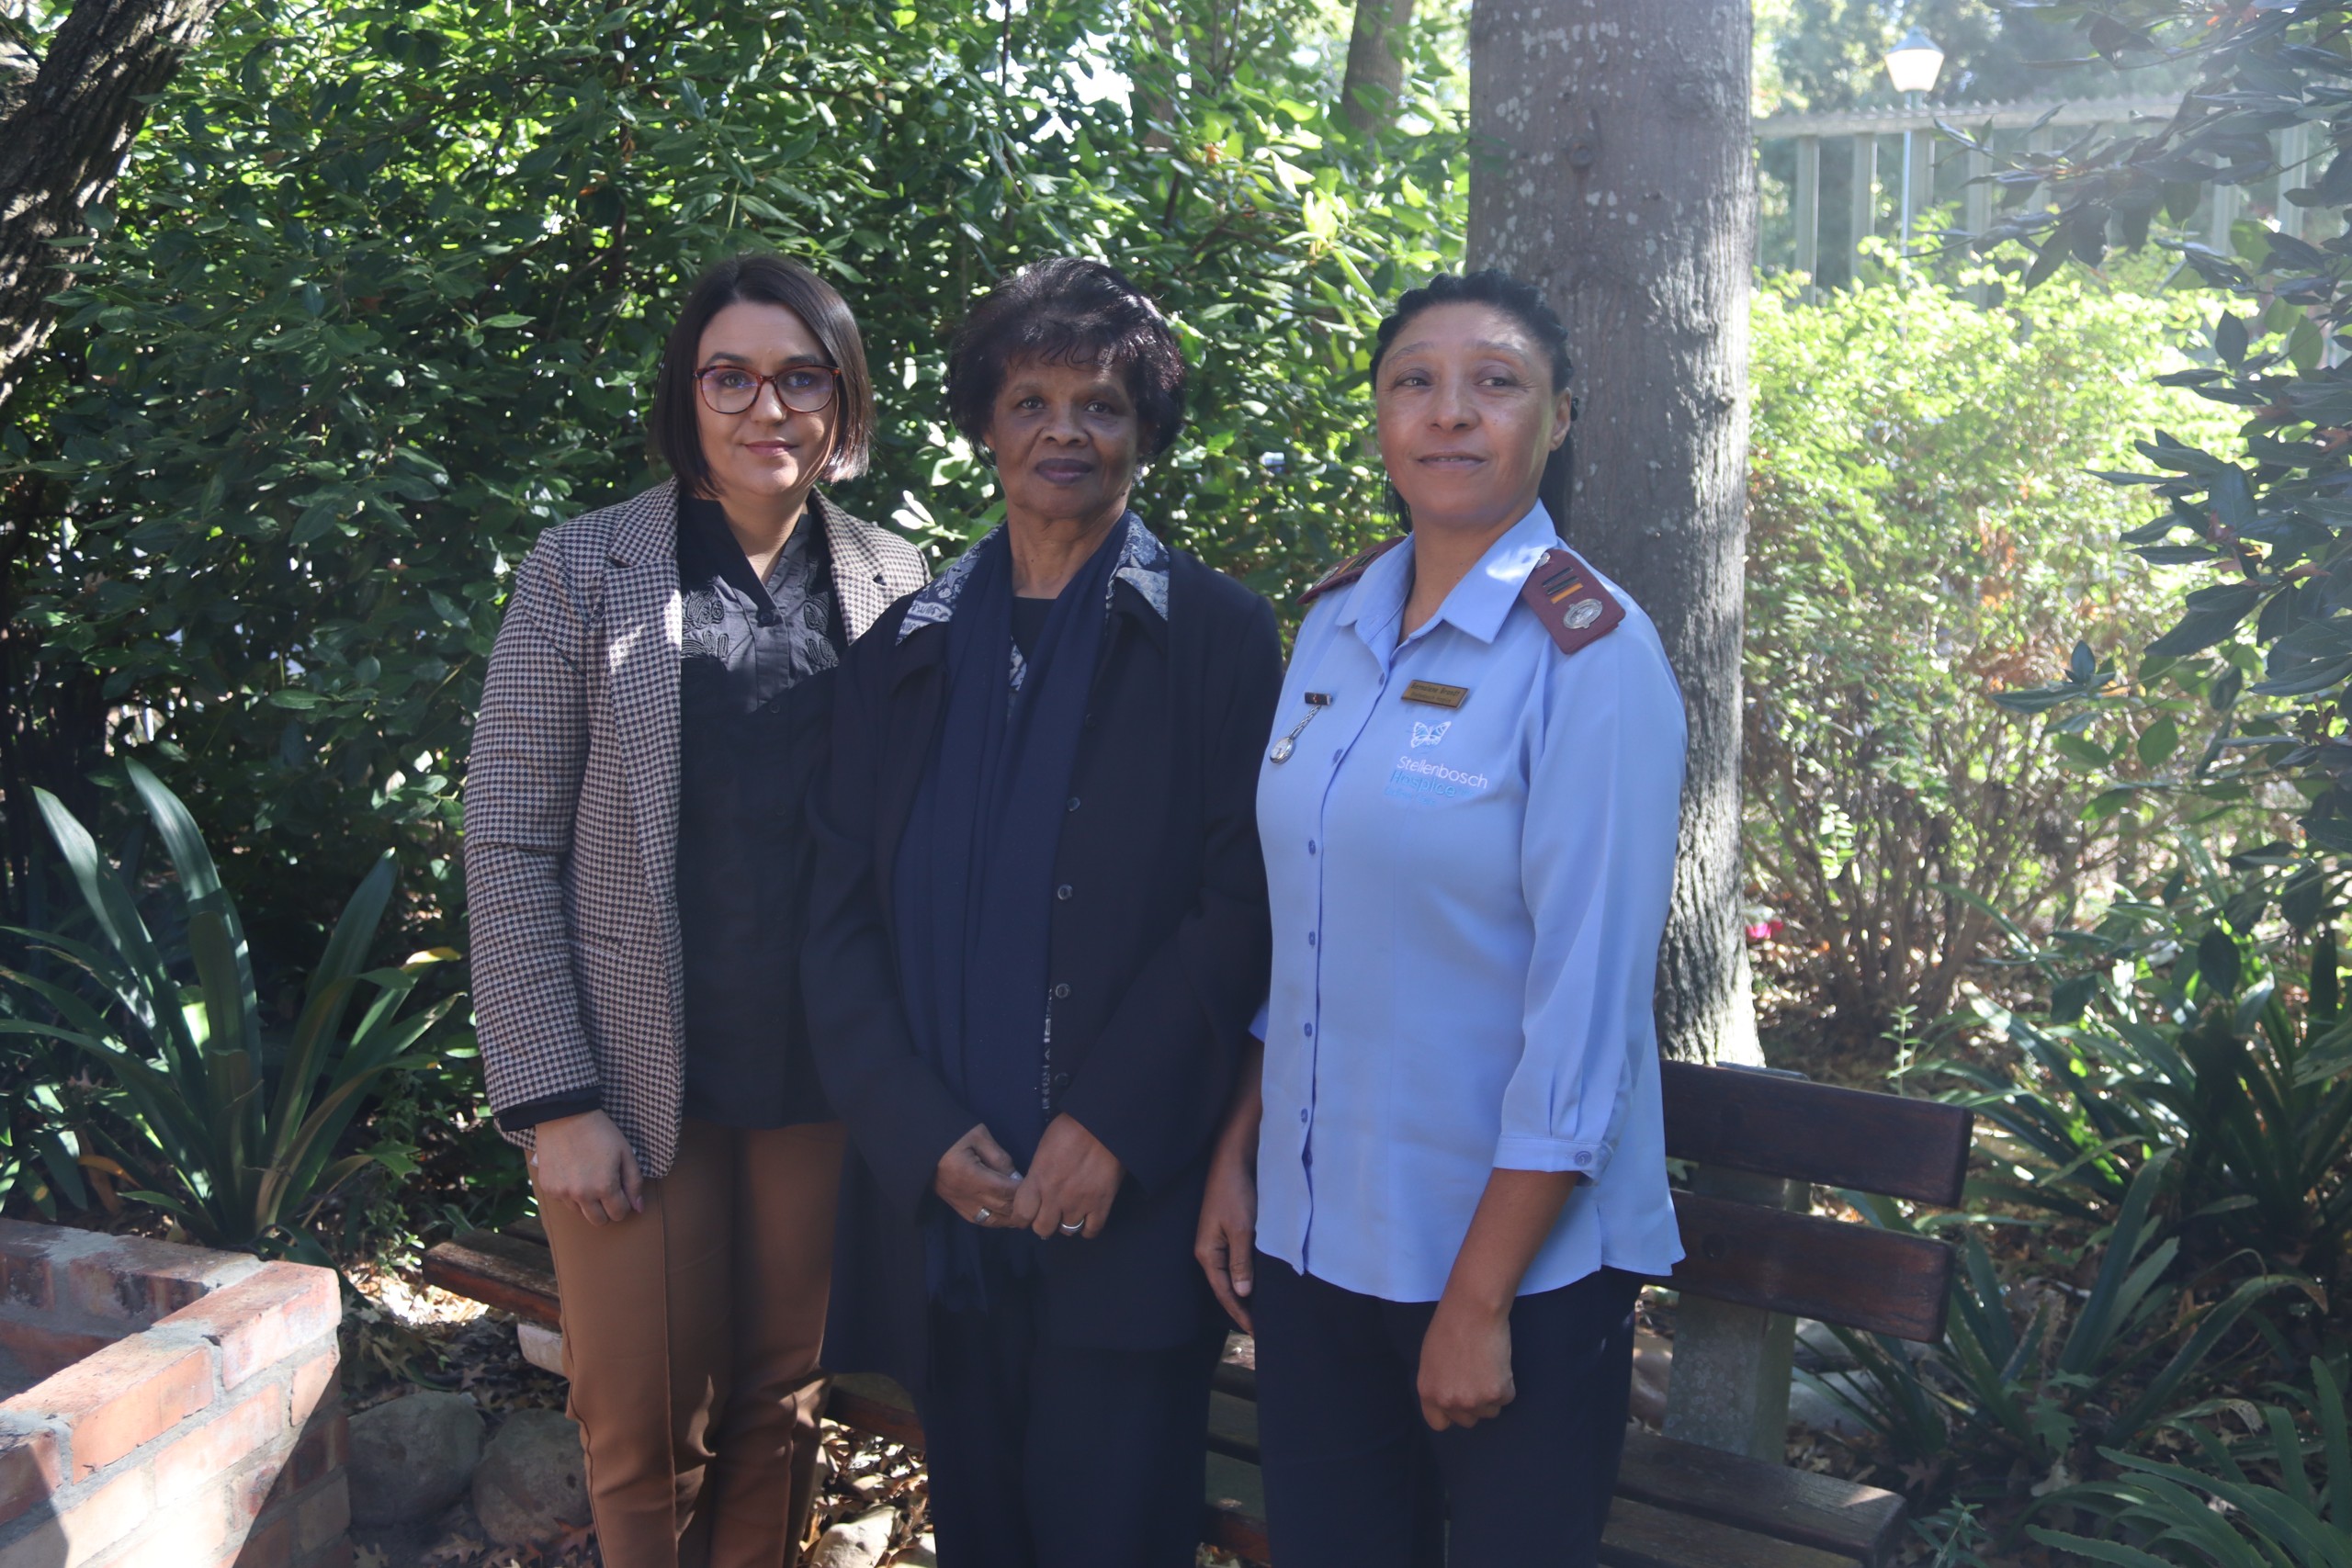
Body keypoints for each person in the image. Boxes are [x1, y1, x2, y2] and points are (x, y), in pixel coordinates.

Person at [1193, 269, 1688, 1568]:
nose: (1451, 412)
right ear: (1380, 419)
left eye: (1496, 383)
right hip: (1317, 1238)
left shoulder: (1592, 657)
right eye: (1415, 381)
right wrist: (1240, 1151)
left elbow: (1585, 1017)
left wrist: (1477, 1300)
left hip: (1510, 1266)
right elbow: (1305, 936)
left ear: (1559, 419)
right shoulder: (1334, 624)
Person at [802, 256, 1283, 1568]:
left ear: (1145, 431)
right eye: (1032, 402)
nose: (1064, 432)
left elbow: (1242, 905)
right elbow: (835, 920)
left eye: (1101, 406)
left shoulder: (1220, 639)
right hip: (947, 1206)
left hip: (1128, 1209)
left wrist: (1112, 1123)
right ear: (986, 425)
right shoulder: (902, 648)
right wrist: (915, 1132)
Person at [465, 253, 928, 1567]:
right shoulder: (583, 567)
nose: (766, 407)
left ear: (843, 400)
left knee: (783, 1406)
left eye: (801, 378)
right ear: (688, 392)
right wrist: (556, 1100)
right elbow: (507, 838)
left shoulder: (896, 576)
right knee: (641, 1421)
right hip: (627, 1078)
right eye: (731, 376)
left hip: (818, 1072)